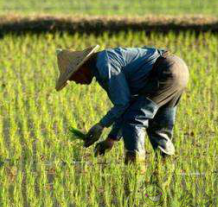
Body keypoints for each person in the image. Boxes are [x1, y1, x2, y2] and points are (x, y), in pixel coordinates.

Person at [55, 45, 189, 165]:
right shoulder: (103, 63)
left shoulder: (105, 65)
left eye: (71, 77)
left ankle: (135, 167)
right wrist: (111, 139)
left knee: (134, 119)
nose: (74, 82)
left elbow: (123, 104)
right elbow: (126, 105)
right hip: (178, 69)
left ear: (80, 68)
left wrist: (101, 125)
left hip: (165, 71)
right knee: (158, 127)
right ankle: (167, 167)